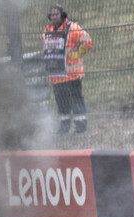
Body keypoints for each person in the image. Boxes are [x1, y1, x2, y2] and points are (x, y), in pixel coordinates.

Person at [43, 5, 92, 135]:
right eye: (52, 15)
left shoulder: (73, 28)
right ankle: (64, 125)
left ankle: (81, 124)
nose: (54, 17)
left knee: (76, 98)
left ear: (62, 14)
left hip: (72, 73)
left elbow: (87, 41)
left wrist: (78, 53)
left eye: (56, 14)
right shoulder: (48, 30)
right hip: (57, 75)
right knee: (61, 101)